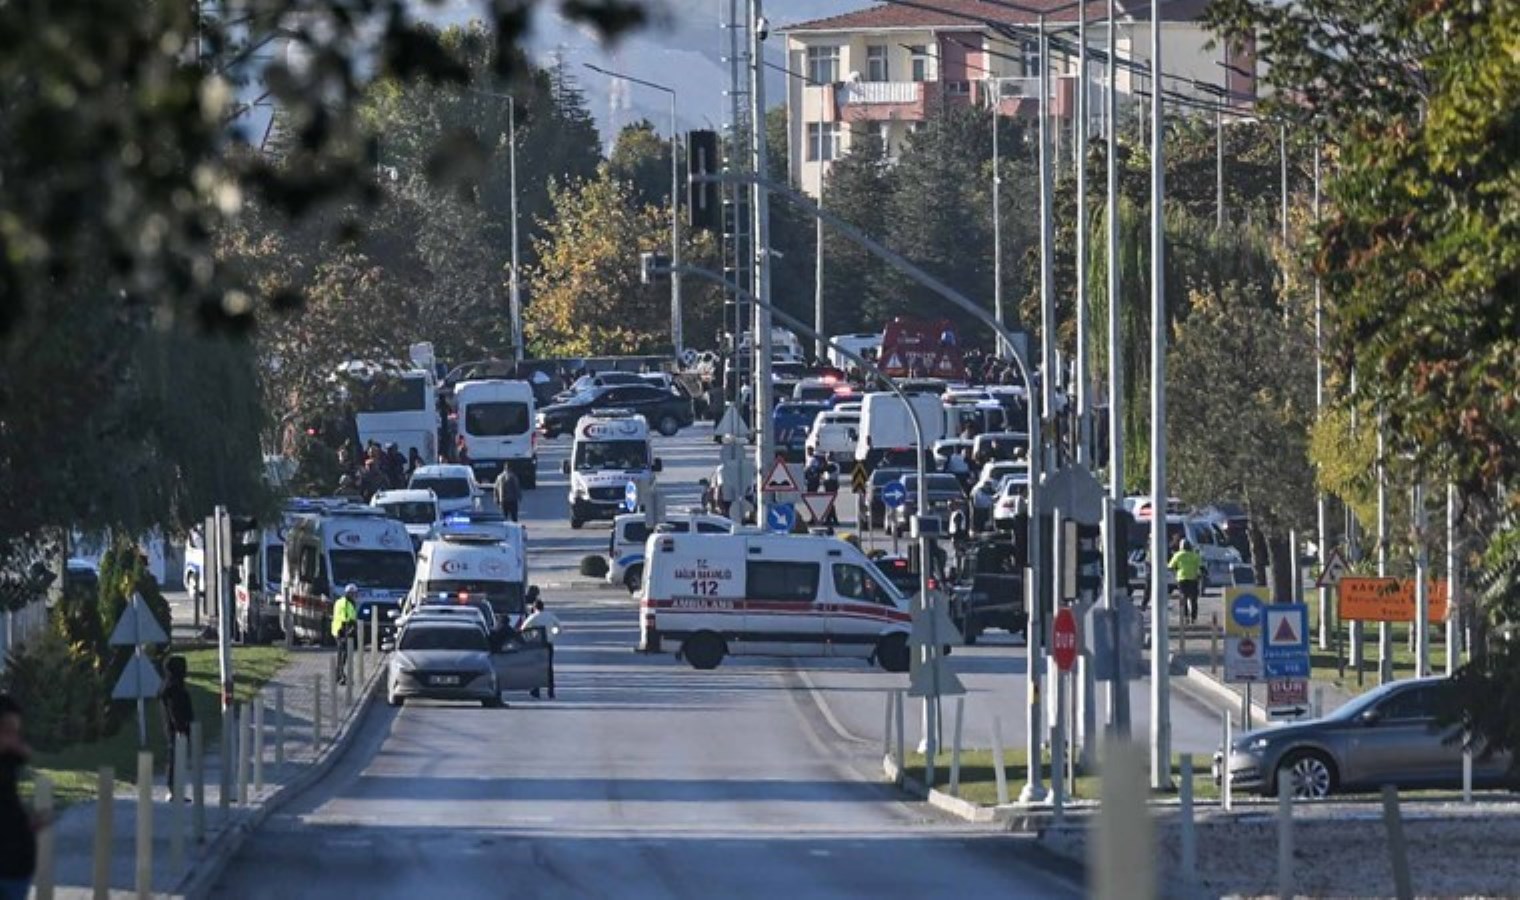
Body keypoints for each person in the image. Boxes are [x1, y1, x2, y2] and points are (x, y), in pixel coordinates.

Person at [0, 695, 44, 900]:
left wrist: (27, 822)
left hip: (16, 869)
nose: (13, 737)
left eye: (16, 731)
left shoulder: (8, 761)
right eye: (6, 730)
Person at [158, 656, 194, 801]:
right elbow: (175, 710)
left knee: (177, 757)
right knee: (175, 758)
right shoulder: (173, 689)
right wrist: (181, 727)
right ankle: (174, 790)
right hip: (177, 729)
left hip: (177, 728)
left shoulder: (170, 686)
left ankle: (176, 790)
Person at [519, 597, 562, 699]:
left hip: (537, 645)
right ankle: (551, 691)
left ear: (534, 607)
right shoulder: (550, 616)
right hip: (548, 644)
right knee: (549, 668)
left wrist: (529, 637)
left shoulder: (533, 617)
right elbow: (560, 628)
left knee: (536, 667)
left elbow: (523, 629)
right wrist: (552, 634)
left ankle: (536, 690)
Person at [1168, 540, 1204, 624]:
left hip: (1182, 579)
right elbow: (1201, 567)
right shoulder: (1195, 556)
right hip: (1193, 579)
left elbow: (1170, 566)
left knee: (1183, 598)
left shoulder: (1177, 555)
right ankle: (1194, 618)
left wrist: (1176, 570)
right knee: (1193, 600)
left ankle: (1185, 617)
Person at [332, 584, 359, 684]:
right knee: (343, 655)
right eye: (355, 593)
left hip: (338, 630)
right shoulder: (346, 603)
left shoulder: (341, 601)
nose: (356, 595)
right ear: (350, 593)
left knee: (342, 654)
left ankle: (339, 675)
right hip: (342, 631)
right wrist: (349, 630)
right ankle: (340, 676)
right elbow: (345, 618)